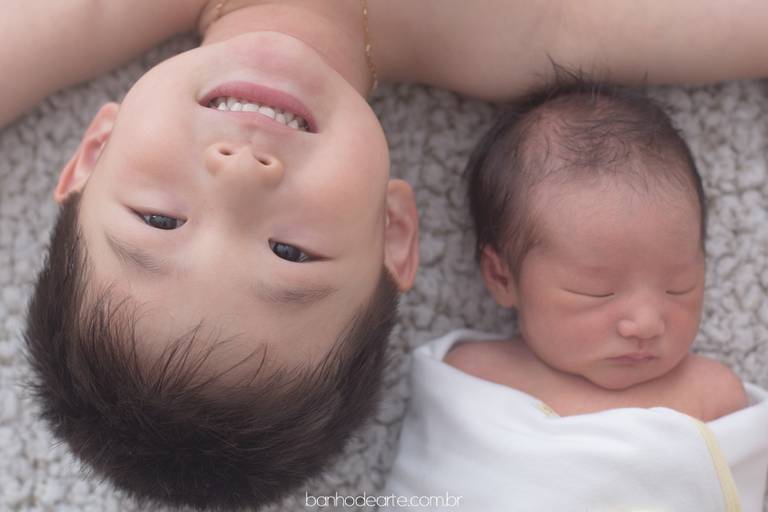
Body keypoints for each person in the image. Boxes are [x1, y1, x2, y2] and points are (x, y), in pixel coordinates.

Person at [9, 1, 768, 510]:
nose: (240, 173)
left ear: (93, 153)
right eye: (289, 251)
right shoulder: (531, 34)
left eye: (159, 218)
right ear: (394, 233)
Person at [384, 75, 768, 511]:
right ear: (502, 277)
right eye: (597, 291)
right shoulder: (467, 375)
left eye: (678, 285)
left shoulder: (713, 393)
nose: (645, 322)